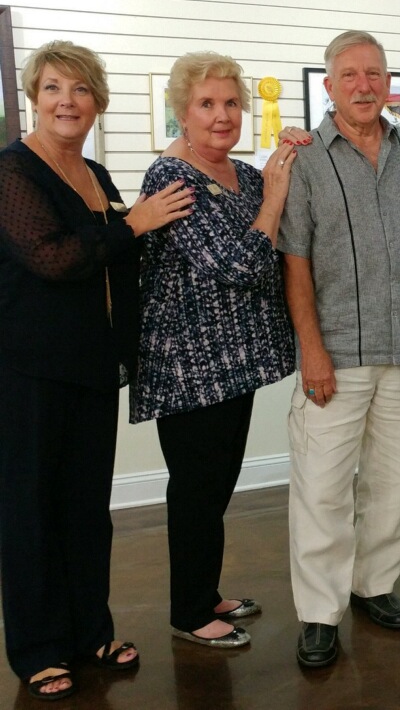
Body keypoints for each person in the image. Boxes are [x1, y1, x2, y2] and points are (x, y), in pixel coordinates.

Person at [0, 41, 193, 700]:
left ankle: (89, 632)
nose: (67, 101)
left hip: (90, 366)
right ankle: (37, 649)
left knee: (86, 510)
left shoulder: (97, 175)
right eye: (54, 87)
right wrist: (134, 224)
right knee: (30, 511)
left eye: (80, 89)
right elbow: (53, 258)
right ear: (34, 96)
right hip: (28, 370)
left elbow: (117, 263)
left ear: (97, 102)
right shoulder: (12, 171)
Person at [278, 31, 400, 668]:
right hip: (336, 354)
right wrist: (311, 351)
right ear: (329, 86)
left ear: (388, 82)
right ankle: (320, 613)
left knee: (391, 486)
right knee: (321, 491)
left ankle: (374, 584)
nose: (364, 86)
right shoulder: (306, 159)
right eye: (350, 75)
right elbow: (294, 261)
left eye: (374, 74)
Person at [129, 52, 295, 649]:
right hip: (187, 369)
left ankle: (205, 591)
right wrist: (274, 199)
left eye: (230, 103)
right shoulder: (171, 179)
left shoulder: (244, 175)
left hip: (234, 366)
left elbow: (274, 251)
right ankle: (189, 612)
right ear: (183, 112)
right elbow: (240, 265)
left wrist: (291, 157)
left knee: (217, 485)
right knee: (196, 490)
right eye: (206, 104)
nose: (221, 116)